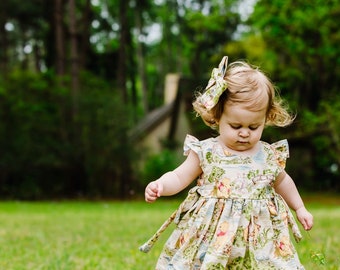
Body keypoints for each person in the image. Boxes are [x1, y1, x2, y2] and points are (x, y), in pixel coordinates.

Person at [140, 56, 313, 269]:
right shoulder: (207, 151)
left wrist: (300, 208)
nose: (244, 133)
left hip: (260, 239)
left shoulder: (268, 155)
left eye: (253, 127)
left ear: (265, 119)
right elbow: (179, 176)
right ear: (218, 116)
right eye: (235, 125)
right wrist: (161, 185)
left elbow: (283, 182)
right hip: (212, 235)